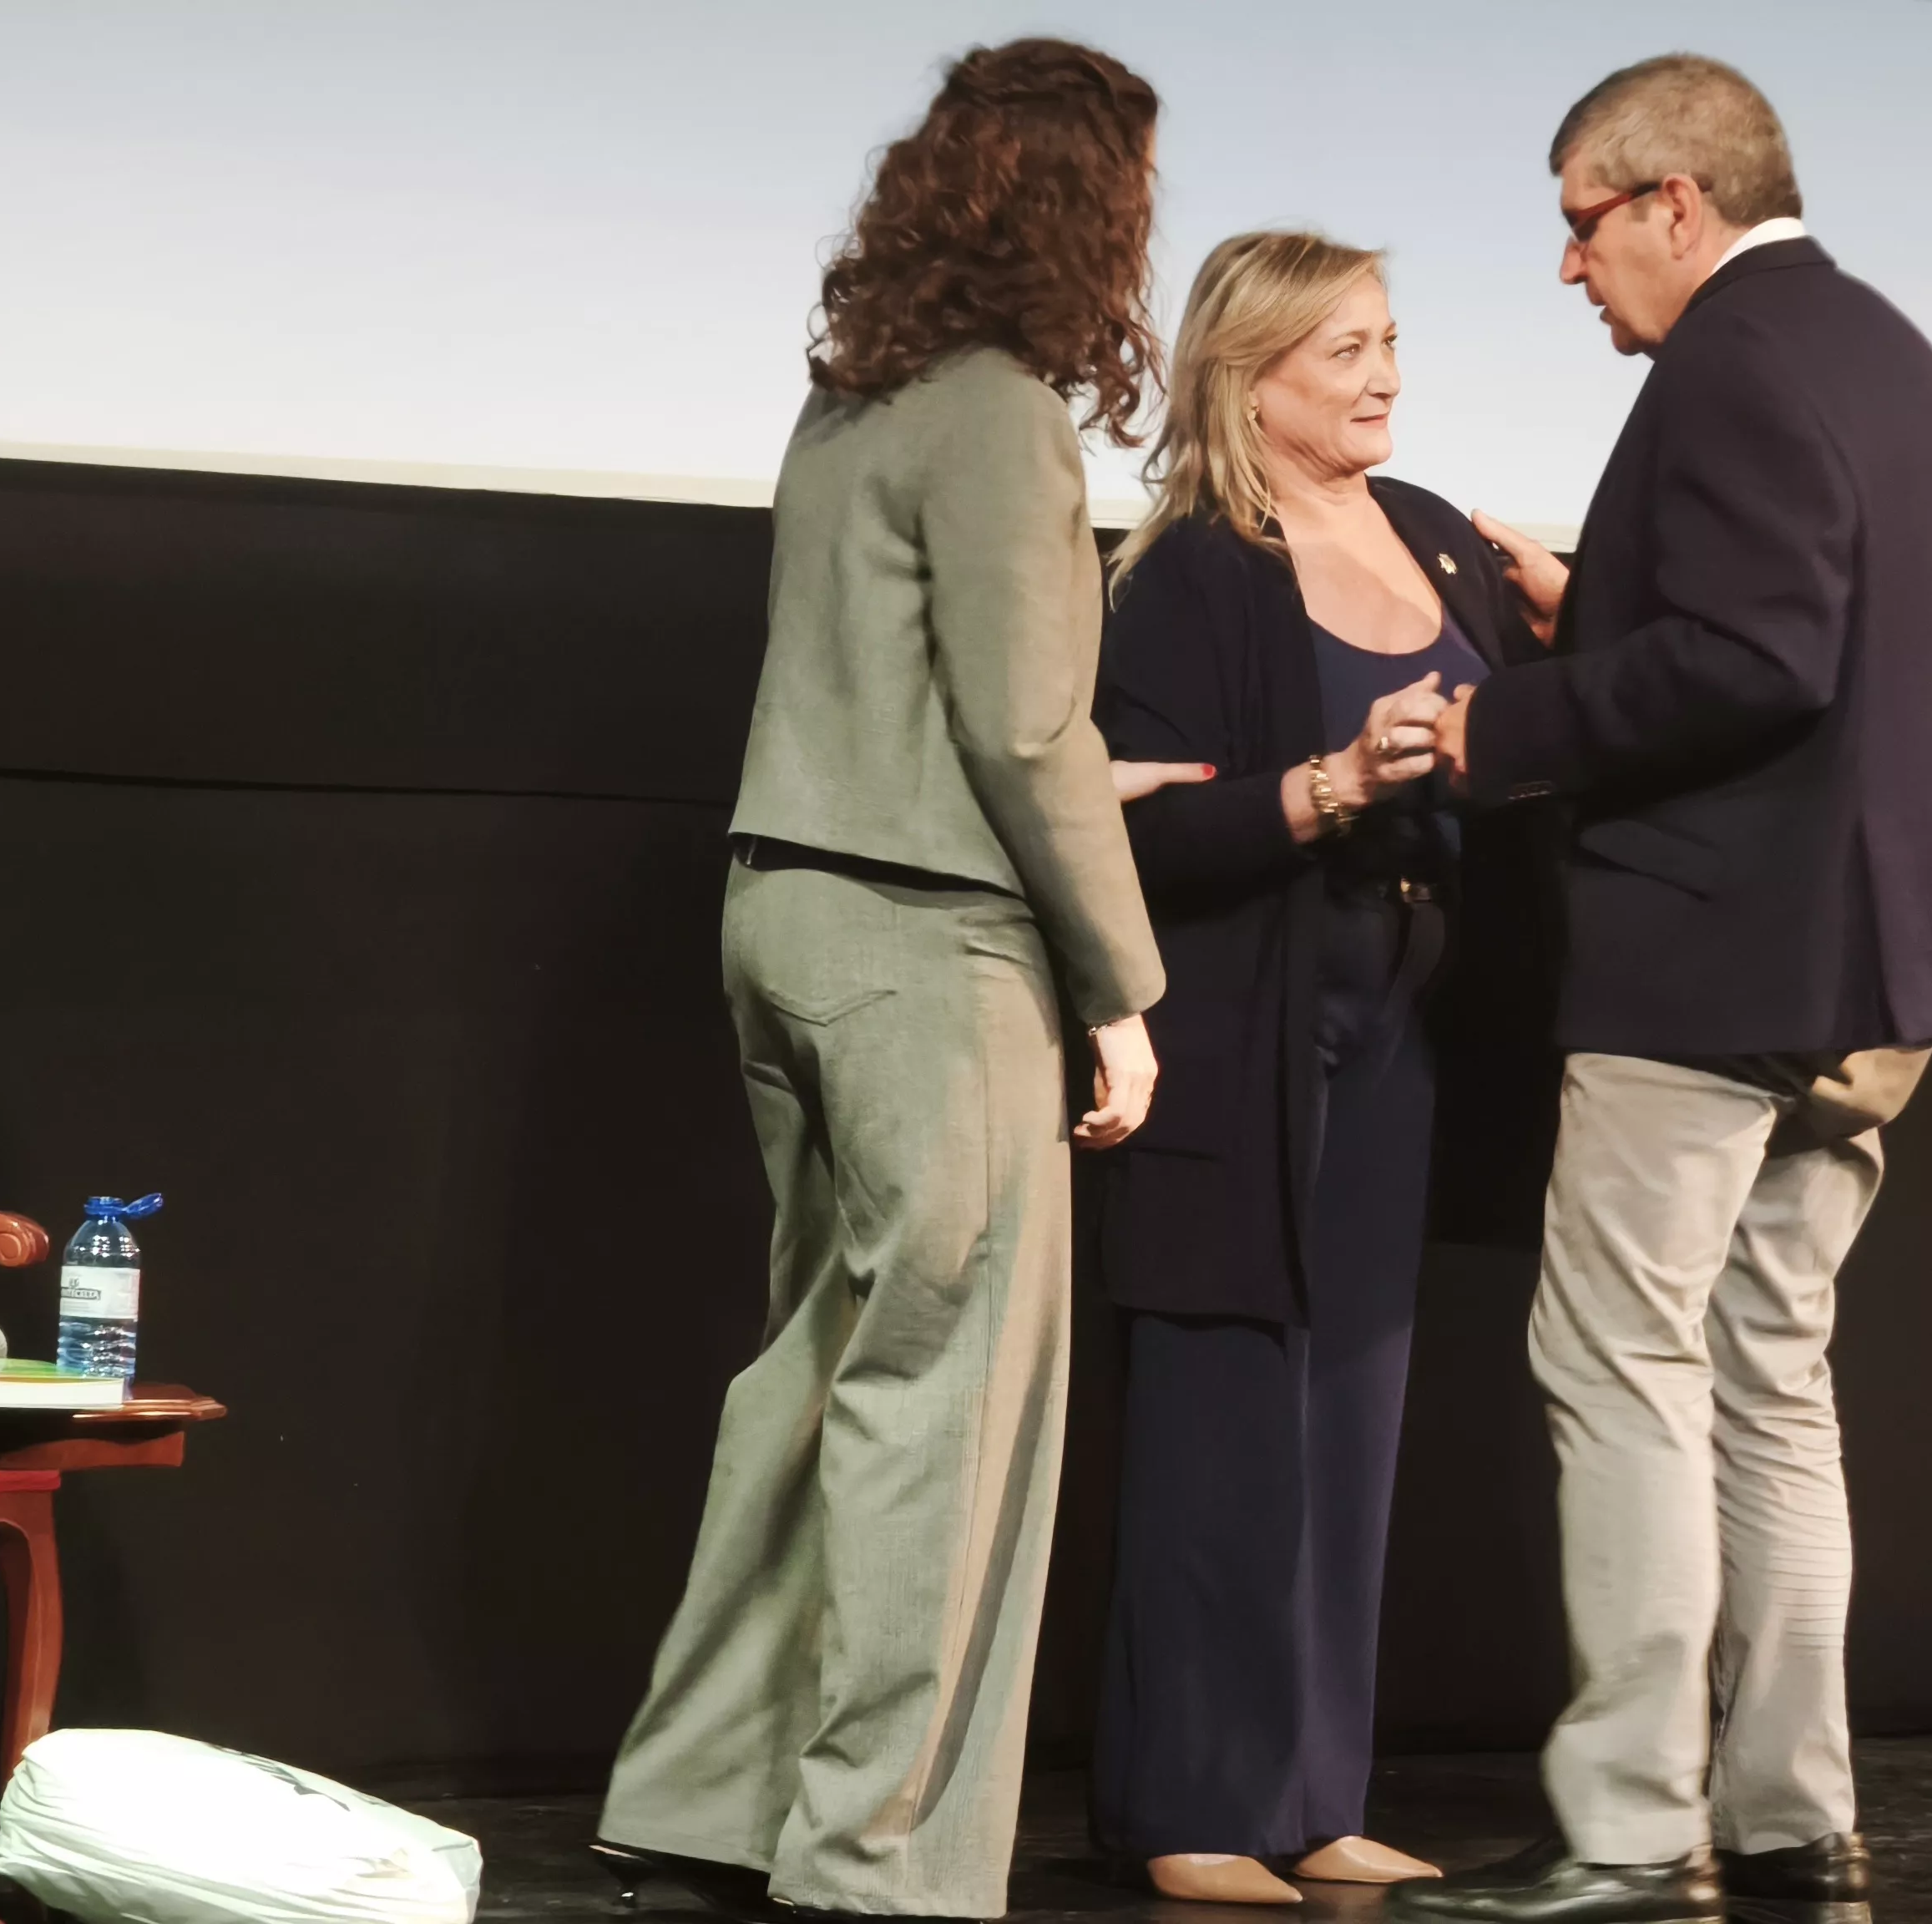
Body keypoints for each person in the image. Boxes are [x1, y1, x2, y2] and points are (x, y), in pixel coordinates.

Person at [1391, 54, 1932, 1924]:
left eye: (1581, 229)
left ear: (1673, 198)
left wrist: (1492, 721)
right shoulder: (1882, 350)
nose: (1571, 272)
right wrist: (1594, 604)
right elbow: (1817, 636)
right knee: (1768, 1376)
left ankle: (1616, 1825)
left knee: (1621, 1364)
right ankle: (1783, 1810)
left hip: (1721, 944)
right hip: (1871, 968)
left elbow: (1753, 658)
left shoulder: (1729, 361)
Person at [590, 39, 1170, 1921]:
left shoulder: (847, 403)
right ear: (1091, 204)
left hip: (786, 915)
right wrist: (1122, 982)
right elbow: (1020, 722)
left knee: (819, 1374)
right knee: (944, 1401)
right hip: (927, 943)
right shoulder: (998, 410)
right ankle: (876, 1863)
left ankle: (699, 1802)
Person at [1084, 231, 1549, 1906]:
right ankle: (1191, 1809)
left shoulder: (1438, 537)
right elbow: (1140, 827)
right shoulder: (1196, 568)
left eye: (1387, 340)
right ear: (1248, 370)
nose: (1381, 375)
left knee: (1352, 1417)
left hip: (1404, 1033)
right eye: (1342, 348)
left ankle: (1313, 1794)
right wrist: (1329, 784)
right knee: (1221, 1425)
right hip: (1240, 1037)